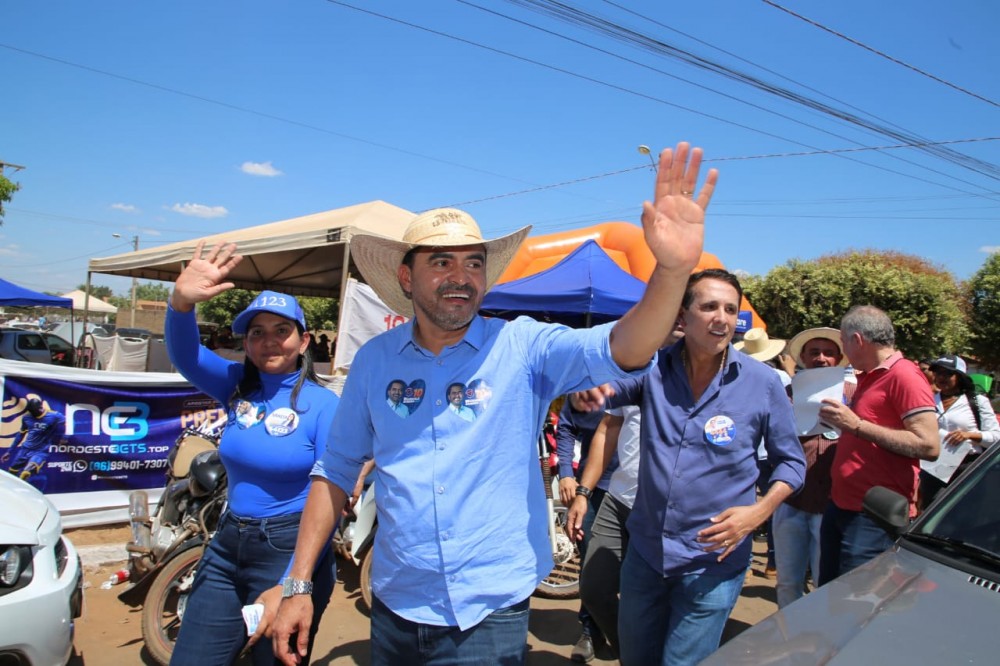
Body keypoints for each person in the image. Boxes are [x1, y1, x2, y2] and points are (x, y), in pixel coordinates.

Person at [271, 142, 718, 666]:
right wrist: (298, 582)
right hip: (394, 604)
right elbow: (338, 468)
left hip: (488, 612)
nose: (460, 275)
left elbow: (625, 347)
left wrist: (671, 271)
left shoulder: (524, 346)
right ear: (407, 277)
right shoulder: (374, 361)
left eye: (473, 263)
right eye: (441, 262)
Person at [576, 269, 805, 666]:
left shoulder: (763, 382)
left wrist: (757, 514)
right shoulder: (651, 370)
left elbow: (792, 463)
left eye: (731, 309)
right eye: (710, 306)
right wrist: (592, 389)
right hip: (646, 556)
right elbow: (610, 387)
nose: (723, 317)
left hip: (713, 561)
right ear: (682, 318)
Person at [165, 242, 340, 665]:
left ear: (304, 341)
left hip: (290, 550)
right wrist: (180, 304)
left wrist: (291, 583)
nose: (268, 342)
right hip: (226, 546)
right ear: (245, 343)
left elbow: (332, 498)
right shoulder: (236, 385)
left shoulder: (325, 406)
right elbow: (185, 355)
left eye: (282, 330)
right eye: (256, 332)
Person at [817, 305, 938, 586]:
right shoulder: (872, 375)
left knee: (855, 602)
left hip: (872, 516)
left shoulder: (904, 376)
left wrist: (857, 426)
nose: (844, 351)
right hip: (845, 506)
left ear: (858, 340)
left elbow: (929, 445)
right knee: (831, 596)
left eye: (844, 343)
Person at [772, 327, 848, 608]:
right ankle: (786, 638)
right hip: (790, 499)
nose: (821, 358)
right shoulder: (787, 393)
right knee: (787, 581)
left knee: (824, 583)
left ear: (839, 358)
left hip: (831, 505)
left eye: (829, 353)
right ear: (802, 357)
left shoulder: (853, 393)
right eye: (814, 352)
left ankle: (819, 643)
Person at [555, 399, 614, 662]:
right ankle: (591, 630)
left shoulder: (661, 374)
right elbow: (566, 426)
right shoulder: (593, 381)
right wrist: (567, 472)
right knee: (590, 564)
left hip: (645, 491)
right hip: (594, 489)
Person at [918, 354, 1000, 509]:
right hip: (932, 467)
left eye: (948, 373)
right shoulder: (927, 399)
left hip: (965, 469)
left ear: (960, 376)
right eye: (938, 373)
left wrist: (969, 435)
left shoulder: (977, 402)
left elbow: (996, 437)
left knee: (959, 512)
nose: (942, 377)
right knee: (930, 510)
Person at [2, 397, 65, 488]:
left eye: (34, 411)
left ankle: (23, 488)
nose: (32, 413)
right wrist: (9, 451)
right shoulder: (27, 417)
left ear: (40, 408)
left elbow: (66, 423)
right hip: (25, 449)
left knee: (26, 472)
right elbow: (20, 434)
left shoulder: (54, 415)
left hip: (40, 451)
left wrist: (64, 437)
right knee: (12, 473)